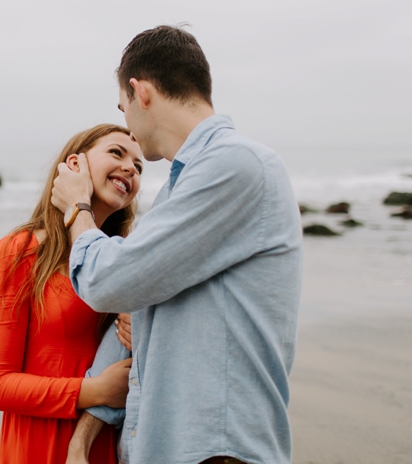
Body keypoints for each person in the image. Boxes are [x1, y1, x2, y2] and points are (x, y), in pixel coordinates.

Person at [54, 25, 303, 464]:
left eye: (122, 107)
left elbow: (108, 280)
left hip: (217, 453)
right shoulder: (181, 186)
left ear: (140, 92)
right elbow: (135, 305)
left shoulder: (234, 164)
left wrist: (77, 208)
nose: (127, 122)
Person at [0, 123, 146, 464]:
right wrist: (95, 391)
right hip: (35, 448)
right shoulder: (19, 252)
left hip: (107, 447)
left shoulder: (126, 261)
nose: (131, 167)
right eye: (116, 153)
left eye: (140, 166)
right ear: (75, 165)